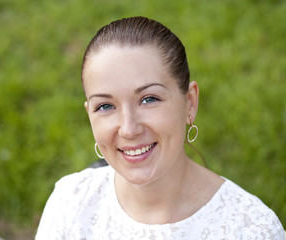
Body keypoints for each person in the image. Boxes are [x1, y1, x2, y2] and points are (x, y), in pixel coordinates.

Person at [35, 16, 285, 239]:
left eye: (149, 99)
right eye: (105, 106)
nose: (129, 129)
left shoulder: (251, 229)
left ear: (189, 103)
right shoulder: (70, 204)